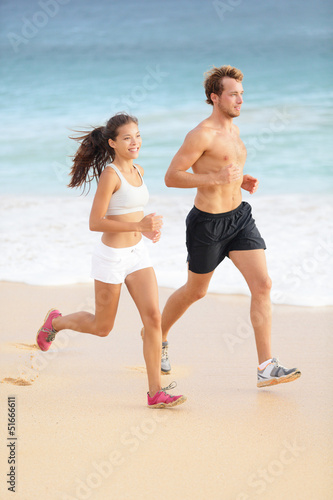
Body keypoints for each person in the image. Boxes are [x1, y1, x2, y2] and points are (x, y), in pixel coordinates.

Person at [159, 65, 301, 387]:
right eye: (233, 95)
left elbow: (226, 169)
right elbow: (171, 177)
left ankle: (265, 366)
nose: (239, 100)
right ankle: (158, 335)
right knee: (196, 291)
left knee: (263, 284)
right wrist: (215, 179)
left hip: (239, 219)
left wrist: (240, 180)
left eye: (241, 94)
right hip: (207, 225)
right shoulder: (201, 134)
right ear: (214, 97)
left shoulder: (234, 131)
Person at [36, 112, 186, 408]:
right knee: (103, 327)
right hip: (112, 258)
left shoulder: (139, 170)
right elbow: (96, 221)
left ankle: (155, 392)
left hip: (138, 255)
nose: (135, 142)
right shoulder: (110, 175)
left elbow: (130, 212)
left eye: (138, 136)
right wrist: (138, 227)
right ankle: (56, 322)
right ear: (113, 143)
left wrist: (147, 227)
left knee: (154, 318)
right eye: (127, 138)